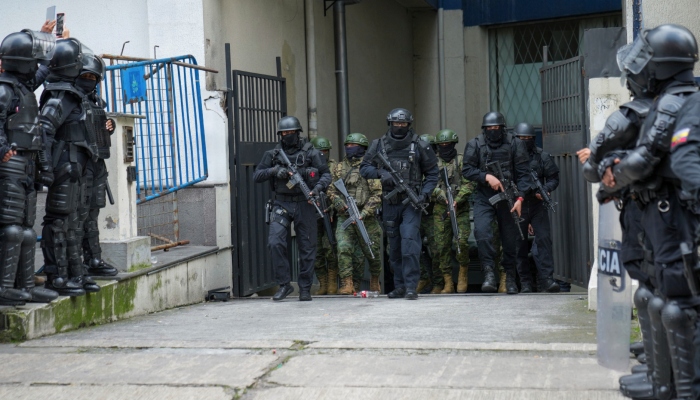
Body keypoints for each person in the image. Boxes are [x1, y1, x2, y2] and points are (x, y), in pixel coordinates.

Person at [601, 24, 699, 400]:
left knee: (674, 304)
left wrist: (614, 175)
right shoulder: (670, 100)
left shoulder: (677, 102)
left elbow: (648, 160)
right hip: (659, 211)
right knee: (657, 297)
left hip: (673, 213)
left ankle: (677, 389)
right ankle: (664, 384)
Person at [40, 38, 108, 296]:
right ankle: (57, 276)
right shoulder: (62, 96)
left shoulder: (78, 97)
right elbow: (45, 130)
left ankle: (75, 274)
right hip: (65, 165)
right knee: (59, 221)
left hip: (78, 165)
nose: (91, 80)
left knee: (75, 221)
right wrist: (45, 167)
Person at [0, 29, 59, 304]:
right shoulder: (4, 88)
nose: (36, 64)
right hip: (11, 164)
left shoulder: (21, 88)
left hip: (27, 163)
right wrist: (3, 150)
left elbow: (43, 69)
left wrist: (55, 39)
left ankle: (25, 285)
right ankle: (4, 287)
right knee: (11, 229)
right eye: (31, 60)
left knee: (26, 229)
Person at [360, 108, 438, 300]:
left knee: (409, 242)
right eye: (397, 124)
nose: (400, 127)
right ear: (390, 124)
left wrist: (425, 195)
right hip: (390, 202)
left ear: (409, 124)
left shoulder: (420, 145)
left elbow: (433, 173)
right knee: (393, 247)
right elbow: (365, 168)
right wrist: (381, 174)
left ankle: (411, 286)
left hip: (412, 203)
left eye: (404, 124)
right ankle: (400, 286)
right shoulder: (379, 144)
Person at [253, 116, 331, 301]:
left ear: (298, 133)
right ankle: (284, 284)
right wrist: (274, 171)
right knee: (275, 242)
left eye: (290, 133)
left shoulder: (312, 153)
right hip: (282, 202)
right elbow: (257, 175)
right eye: (284, 133)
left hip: (306, 202)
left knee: (307, 246)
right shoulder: (272, 154)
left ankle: (305, 288)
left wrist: (317, 189)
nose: (287, 136)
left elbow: (326, 175)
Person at [462, 111, 532, 294]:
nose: (493, 131)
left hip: (509, 197)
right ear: (484, 129)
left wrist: (520, 198)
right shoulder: (475, 144)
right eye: (490, 128)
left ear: (503, 129)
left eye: (497, 128)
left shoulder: (515, 144)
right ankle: (489, 273)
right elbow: (467, 169)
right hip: (485, 196)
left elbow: (524, 174)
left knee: (510, 239)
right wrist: (486, 176)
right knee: (482, 233)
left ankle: (509, 277)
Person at [75, 54, 118, 278]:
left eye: (94, 76)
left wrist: (109, 126)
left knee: (92, 214)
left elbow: (102, 128)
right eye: (86, 75)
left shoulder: (96, 101)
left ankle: (94, 259)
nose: (90, 80)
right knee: (78, 215)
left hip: (96, 164)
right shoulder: (67, 99)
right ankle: (76, 265)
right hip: (77, 164)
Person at [328, 133, 383, 294]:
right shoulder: (338, 168)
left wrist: (364, 212)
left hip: (366, 217)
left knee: (370, 252)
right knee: (343, 248)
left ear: (362, 149)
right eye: (348, 145)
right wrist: (336, 201)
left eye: (354, 146)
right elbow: (330, 189)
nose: (349, 148)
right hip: (345, 215)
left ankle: (374, 278)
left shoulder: (369, 167)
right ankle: (347, 283)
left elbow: (377, 194)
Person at [513, 123, 560, 293]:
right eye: (522, 139)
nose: (525, 141)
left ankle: (547, 279)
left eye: (528, 139)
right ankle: (525, 282)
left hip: (537, 205)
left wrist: (546, 189)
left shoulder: (542, 156)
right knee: (519, 244)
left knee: (544, 240)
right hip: (518, 205)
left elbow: (554, 177)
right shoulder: (511, 157)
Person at [432, 129, 474, 293]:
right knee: (441, 246)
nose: (444, 147)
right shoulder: (432, 163)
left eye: (447, 144)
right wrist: (441, 195)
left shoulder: (462, 161)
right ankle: (447, 281)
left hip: (460, 209)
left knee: (461, 242)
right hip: (440, 210)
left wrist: (457, 200)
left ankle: (463, 272)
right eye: (441, 145)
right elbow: (428, 183)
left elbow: (470, 183)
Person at [310, 136, 338, 295]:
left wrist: (333, 207)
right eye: (320, 151)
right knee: (316, 250)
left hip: (330, 213)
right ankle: (323, 283)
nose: (323, 154)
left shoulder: (336, 168)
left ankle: (332, 282)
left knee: (330, 248)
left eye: (325, 151)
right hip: (312, 213)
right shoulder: (308, 167)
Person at [416, 134, 441, 294]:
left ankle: (438, 282)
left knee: (437, 248)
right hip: (416, 212)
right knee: (412, 247)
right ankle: (423, 277)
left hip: (434, 212)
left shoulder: (438, 164)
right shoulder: (414, 163)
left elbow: (441, 186)